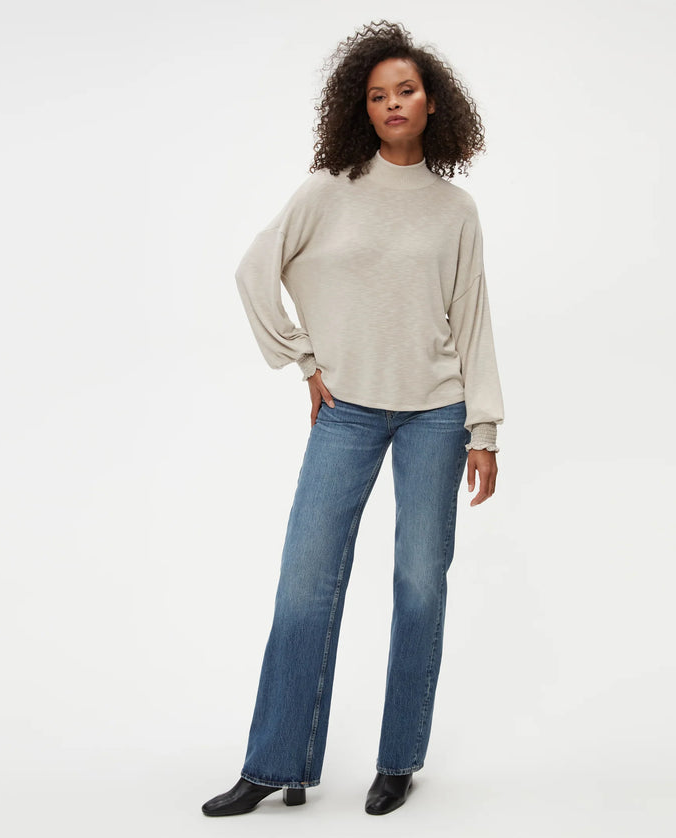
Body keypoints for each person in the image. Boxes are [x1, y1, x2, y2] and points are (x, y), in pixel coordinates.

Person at [201, 19, 504, 818]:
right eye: (377, 95)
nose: (392, 103)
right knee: (305, 584)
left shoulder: (455, 211)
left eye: (405, 90)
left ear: (432, 103)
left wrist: (484, 429)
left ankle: (398, 760)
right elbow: (254, 271)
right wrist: (304, 360)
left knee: (418, 584)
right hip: (348, 413)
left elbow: (472, 320)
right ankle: (277, 764)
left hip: (437, 413)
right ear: (360, 109)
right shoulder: (326, 190)